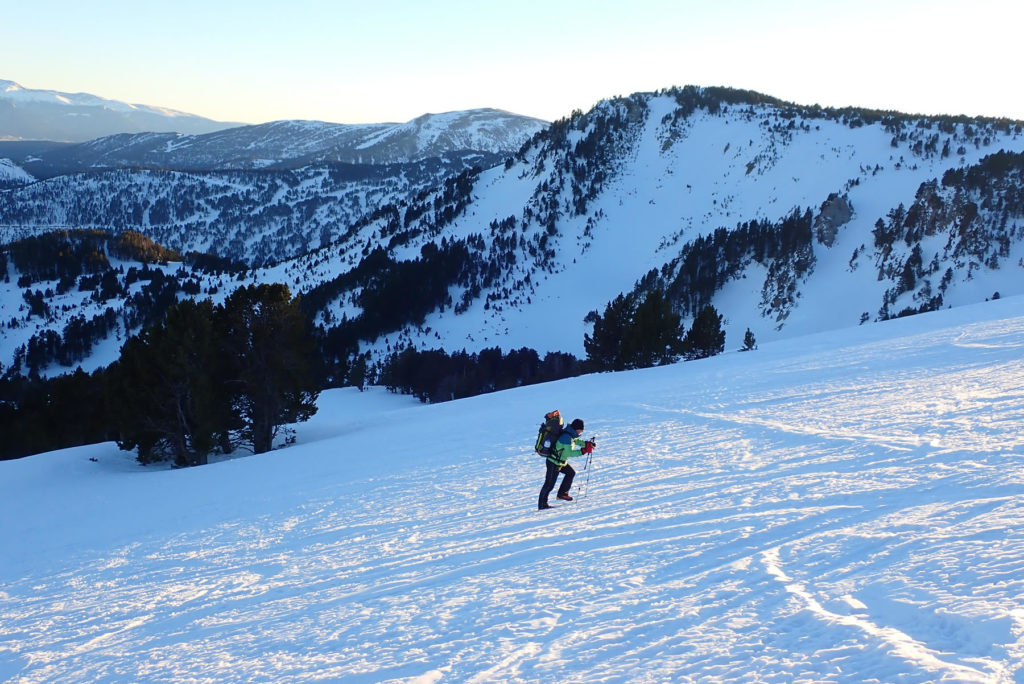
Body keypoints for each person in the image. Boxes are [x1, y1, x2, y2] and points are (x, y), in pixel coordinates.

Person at [538, 418, 595, 509]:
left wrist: (587, 444)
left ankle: (562, 493)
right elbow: (569, 453)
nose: (581, 432)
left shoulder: (571, 434)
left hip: (560, 462)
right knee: (549, 484)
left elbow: (576, 441)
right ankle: (542, 505)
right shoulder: (566, 437)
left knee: (570, 473)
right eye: (581, 430)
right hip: (553, 462)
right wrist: (583, 451)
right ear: (577, 429)